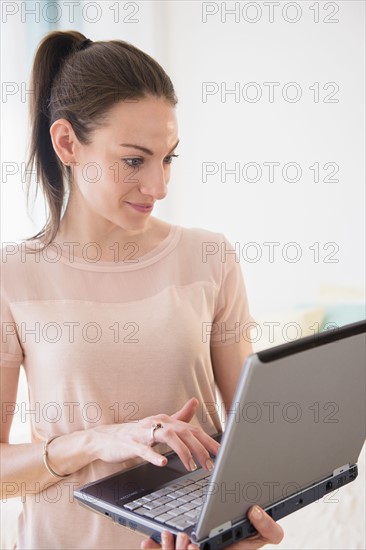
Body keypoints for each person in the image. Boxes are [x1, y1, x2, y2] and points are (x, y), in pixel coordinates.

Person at [0, 31, 284, 550]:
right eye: (134, 161)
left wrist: (243, 525)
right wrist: (96, 441)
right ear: (66, 143)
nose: (159, 186)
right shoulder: (12, 275)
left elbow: (248, 440)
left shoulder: (209, 257)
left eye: (169, 157)